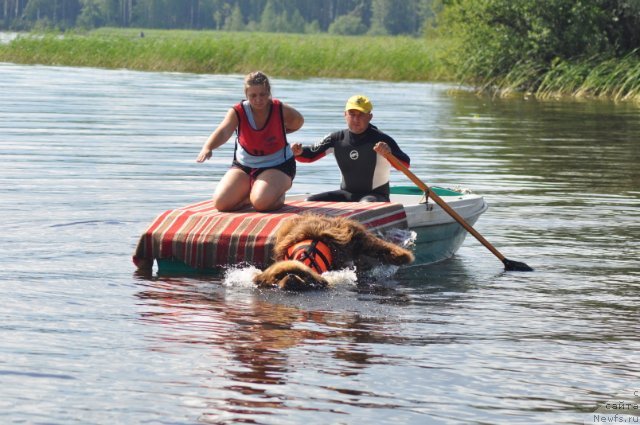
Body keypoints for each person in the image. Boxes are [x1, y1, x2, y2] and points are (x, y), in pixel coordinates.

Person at [196, 71, 304, 212]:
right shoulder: (237, 112)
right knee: (221, 204)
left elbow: (298, 122)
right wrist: (208, 147)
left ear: (269, 93)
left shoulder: (280, 109)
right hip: (244, 167)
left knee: (261, 203)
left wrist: (282, 131)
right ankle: (249, 197)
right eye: (253, 95)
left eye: (262, 95)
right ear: (246, 95)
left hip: (278, 166)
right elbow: (223, 132)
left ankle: (277, 195)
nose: (258, 99)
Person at [291, 94, 410, 202]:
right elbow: (310, 154)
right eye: (352, 114)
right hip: (346, 194)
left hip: (376, 196)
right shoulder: (336, 138)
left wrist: (389, 153)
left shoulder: (382, 140)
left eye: (361, 115)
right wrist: (299, 152)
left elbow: (405, 164)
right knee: (310, 201)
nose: (356, 119)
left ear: (370, 117)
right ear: (345, 115)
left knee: (365, 204)